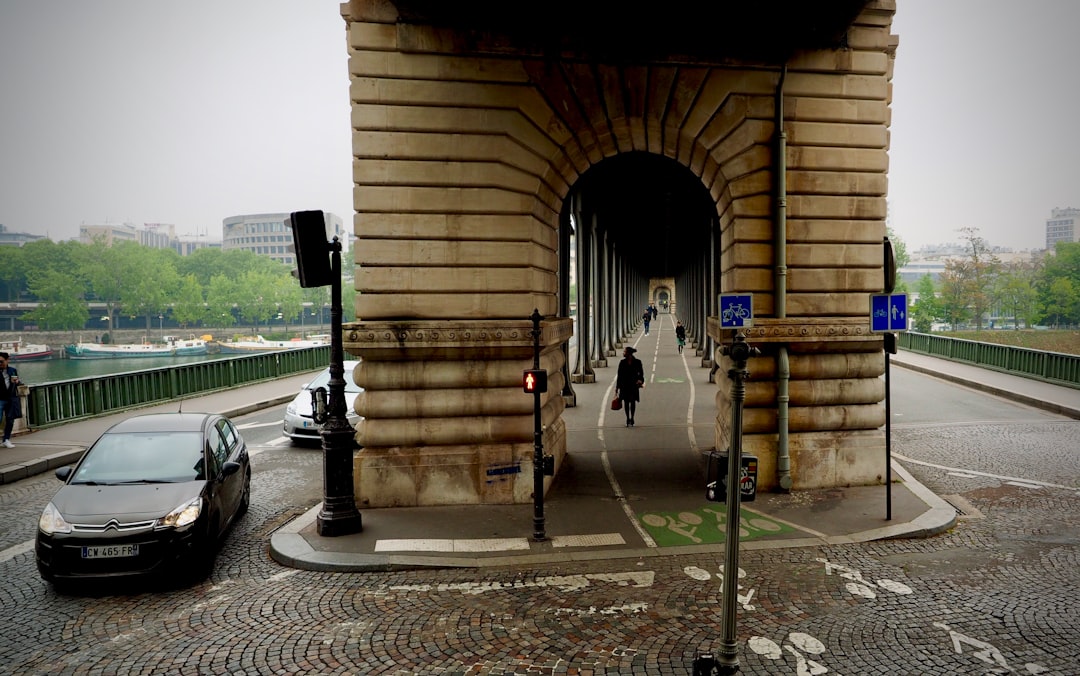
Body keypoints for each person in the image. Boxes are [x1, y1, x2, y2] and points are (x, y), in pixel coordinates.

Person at [616, 346, 645, 427]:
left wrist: (640, 380)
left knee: (632, 402)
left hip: (633, 384)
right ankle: (627, 418)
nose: (623, 353)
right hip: (624, 385)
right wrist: (617, 387)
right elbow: (619, 375)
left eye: (624, 352)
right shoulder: (622, 362)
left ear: (629, 353)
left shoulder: (637, 362)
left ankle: (632, 417)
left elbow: (641, 373)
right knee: (626, 402)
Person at [0, 352, 21, 448]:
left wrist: (17, 382)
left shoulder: (13, 370)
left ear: (7, 360)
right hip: (0, 398)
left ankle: (6, 439)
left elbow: (17, 383)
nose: (0, 364)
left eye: (1, 361)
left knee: (10, 420)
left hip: (11, 398)